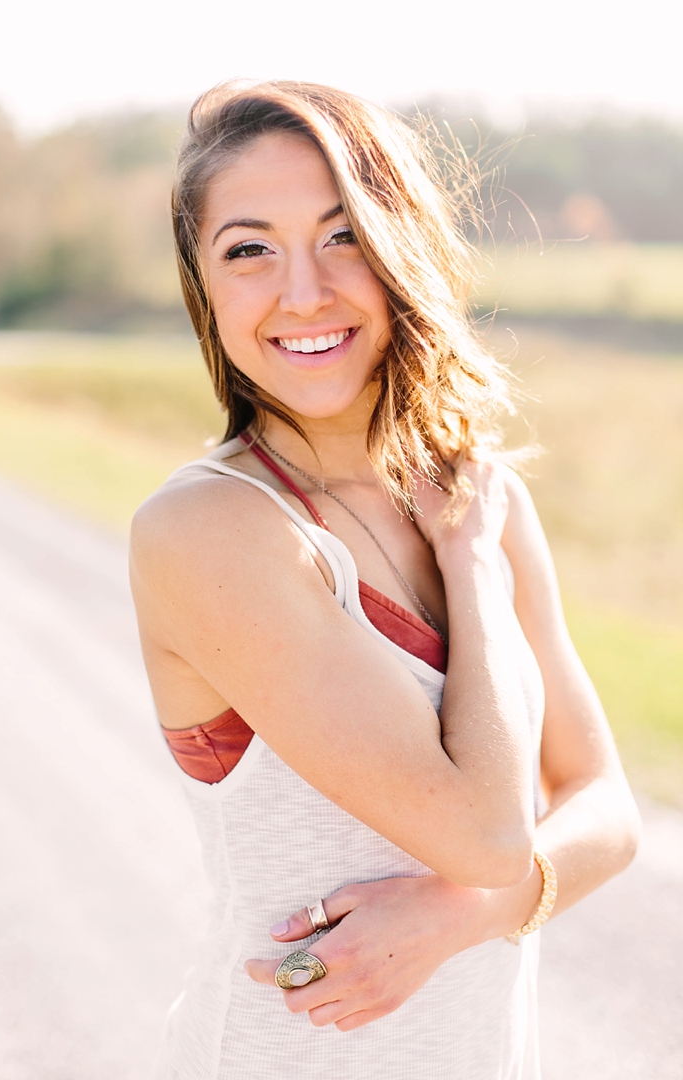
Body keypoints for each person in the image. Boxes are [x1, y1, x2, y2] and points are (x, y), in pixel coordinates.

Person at [129, 80, 640, 1080]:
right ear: (204, 288)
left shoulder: (478, 497)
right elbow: (493, 834)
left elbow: (606, 807)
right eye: (248, 250)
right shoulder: (210, 528)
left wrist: (463, 917)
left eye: (343, 234)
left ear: (400, 245)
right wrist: (474, 576)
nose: (304, 292)